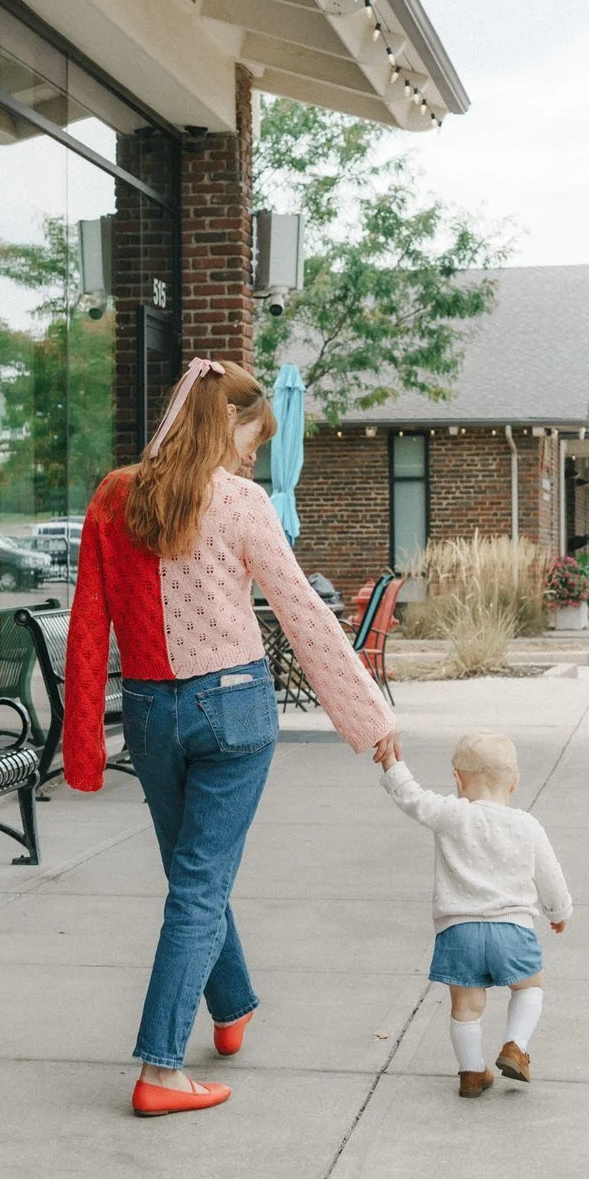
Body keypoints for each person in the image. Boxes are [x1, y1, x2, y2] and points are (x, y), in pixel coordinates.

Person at [63, 356, 401, 1118]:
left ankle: (234, 1005)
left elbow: (89, 623)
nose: (256, 454)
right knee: (200, 884)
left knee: (193, 878)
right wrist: (370, 718)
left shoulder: (115, 497)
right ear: (222, 421)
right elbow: (306, 616)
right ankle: (158, 1067)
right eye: (253, 435)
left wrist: (82, 743)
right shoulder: (242, 503)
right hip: (235, 710)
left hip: (151, 714)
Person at [379, 729, 572, 1097]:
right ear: (514, 783)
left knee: (466, 1006)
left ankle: (471, 1073)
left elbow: (411, 797)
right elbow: (550, 874)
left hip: (459, 931)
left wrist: (391, 760)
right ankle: (515, 1045)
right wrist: (558, 910)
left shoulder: (452, 815)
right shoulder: (527, 825)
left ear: (457, 779)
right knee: (530, 986)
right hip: (512, 930)